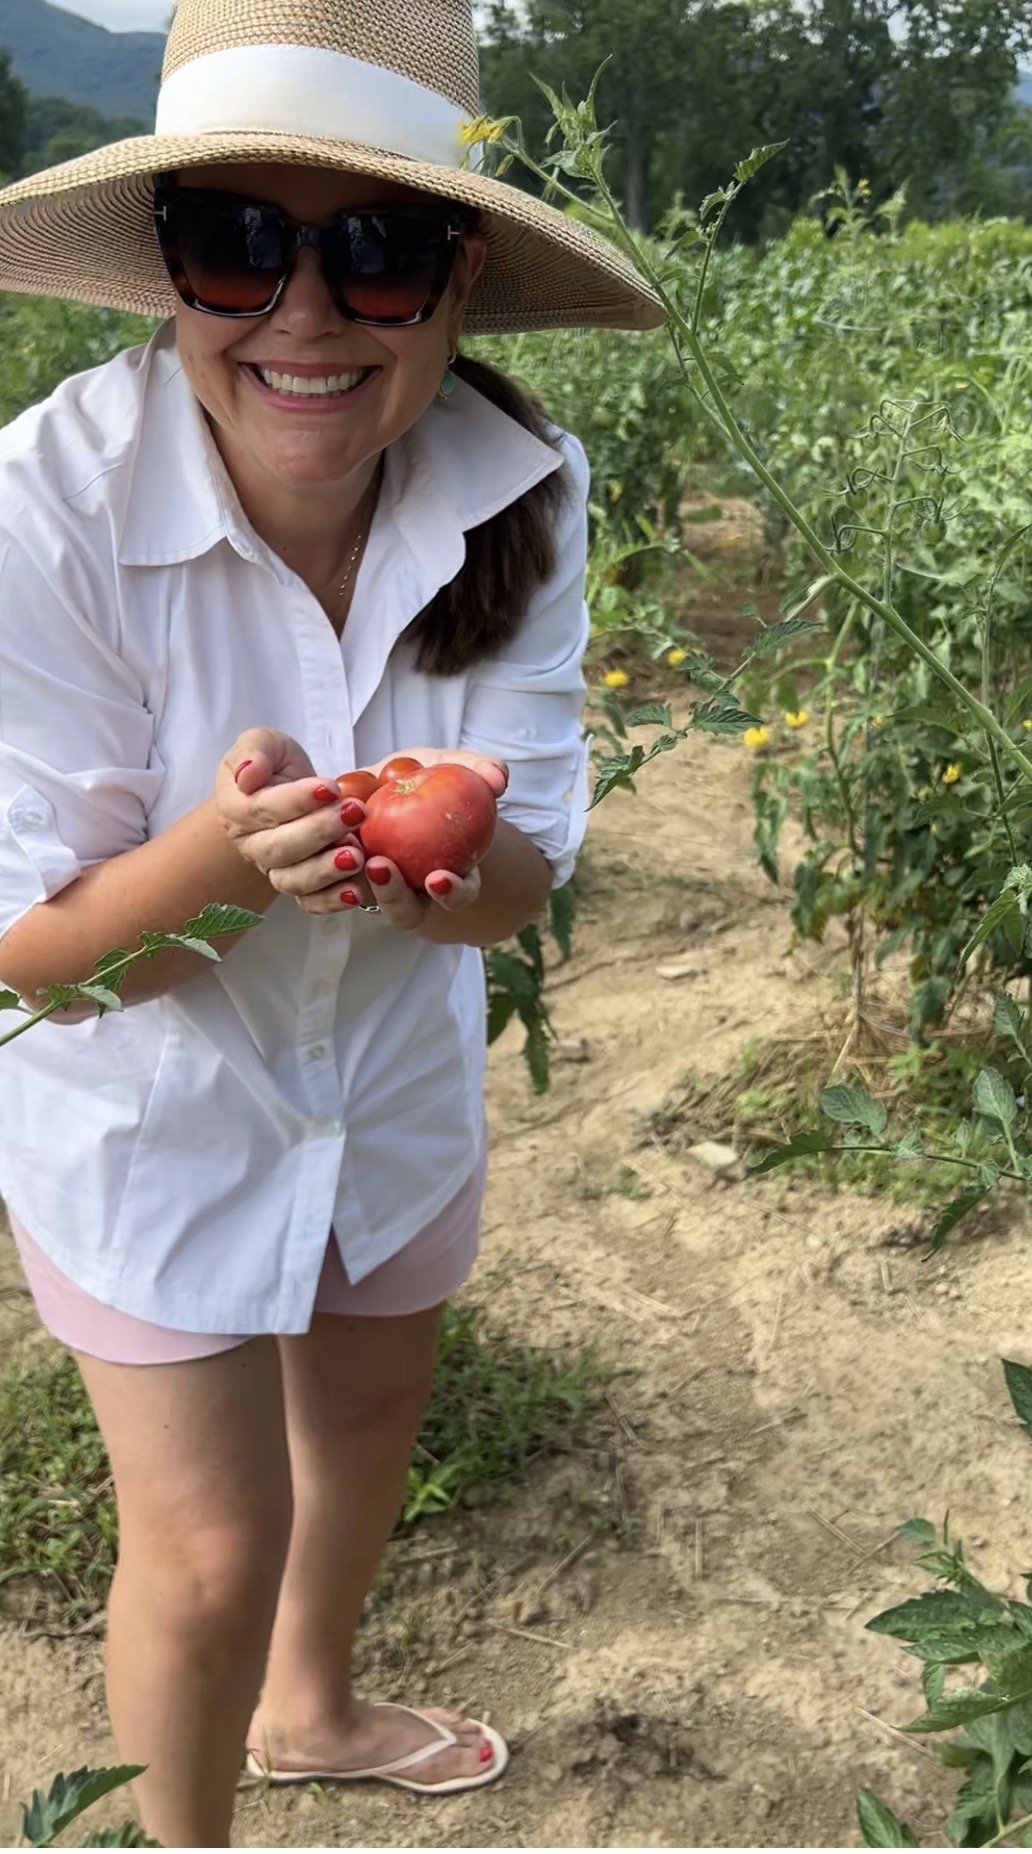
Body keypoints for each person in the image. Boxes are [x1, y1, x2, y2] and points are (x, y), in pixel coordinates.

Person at [0, 0, 661, 1845]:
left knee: (363, 1432)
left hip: (384, 1094)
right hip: (155, 1123)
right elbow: (32, 960)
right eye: (235, 241)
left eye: (373, 253)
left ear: (457, 288)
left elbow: (527, 881)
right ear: (163, 270)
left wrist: (436, 869)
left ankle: (317, 1705)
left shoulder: (516, 495)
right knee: (207, 1548)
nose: (300, 314)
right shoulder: (39, 514)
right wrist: (227, 856)